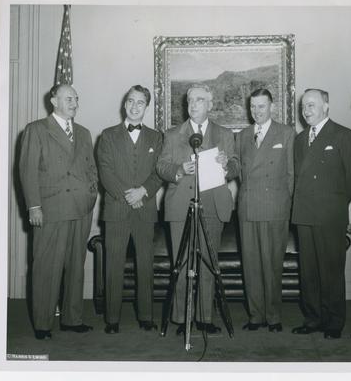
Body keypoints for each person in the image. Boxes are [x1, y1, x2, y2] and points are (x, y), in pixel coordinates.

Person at [156, 84, 239, 335]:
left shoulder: (224, 134)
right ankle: (182, 319)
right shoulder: (172, 135)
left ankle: (204, 317)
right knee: (181, 265)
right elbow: (161, 166)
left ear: (210, 105)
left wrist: (227, 166)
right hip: (181, 205)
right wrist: (180, 170)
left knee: (207, 264)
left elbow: (236, 166)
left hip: (212, 205)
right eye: (190, 100)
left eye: (200, 100)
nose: (193, 104)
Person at [19, 84, 98, 340]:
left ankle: (72, 319)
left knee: (76, 265)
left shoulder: (84, 133)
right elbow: (27, 171)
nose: (74, 102)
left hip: (80, 208)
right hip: (51, 208)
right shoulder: (37, 130)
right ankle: (43, 324)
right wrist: (34, 206)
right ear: (53, 101)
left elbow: (91, 170)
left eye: (76, 98)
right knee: (46, 266)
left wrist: (90, 195)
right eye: (68, 98)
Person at [290, 89, 351, 339]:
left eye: (312, 105)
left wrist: (336, 206)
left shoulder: (342, 135)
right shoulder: (299, 140)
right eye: (303, 106)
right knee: (308, 271)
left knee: (331, 270)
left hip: (330, 215)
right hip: (304, 213)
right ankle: (313, 318)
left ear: (326, 106)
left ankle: (333, 322)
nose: (306, 110)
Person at [97, 85, 163, 334]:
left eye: (140, 103)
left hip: (145, 210)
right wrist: (128, 196)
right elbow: (105, 171)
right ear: (125, 105)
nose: (135, 107)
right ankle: (112, 319)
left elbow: (159, 172)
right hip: (117, 210)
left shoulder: (156, 137)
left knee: (145, 264)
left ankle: (146, 316)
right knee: (113, 264)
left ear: (146, 107)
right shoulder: (108, 135)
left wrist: (142, 192)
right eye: (131, 102)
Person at [236, 88, 295, 333]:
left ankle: (273, 316)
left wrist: (285, 205)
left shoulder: (286, 132)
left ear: (272, 106)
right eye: (253, 107)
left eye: (261, 106)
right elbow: (237, 171)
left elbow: (291, 174)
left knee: (272, 264)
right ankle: (256, 315)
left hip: (275, 207)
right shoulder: (242, 136)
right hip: (248, 206)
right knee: (250, 264)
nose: (257, 111)